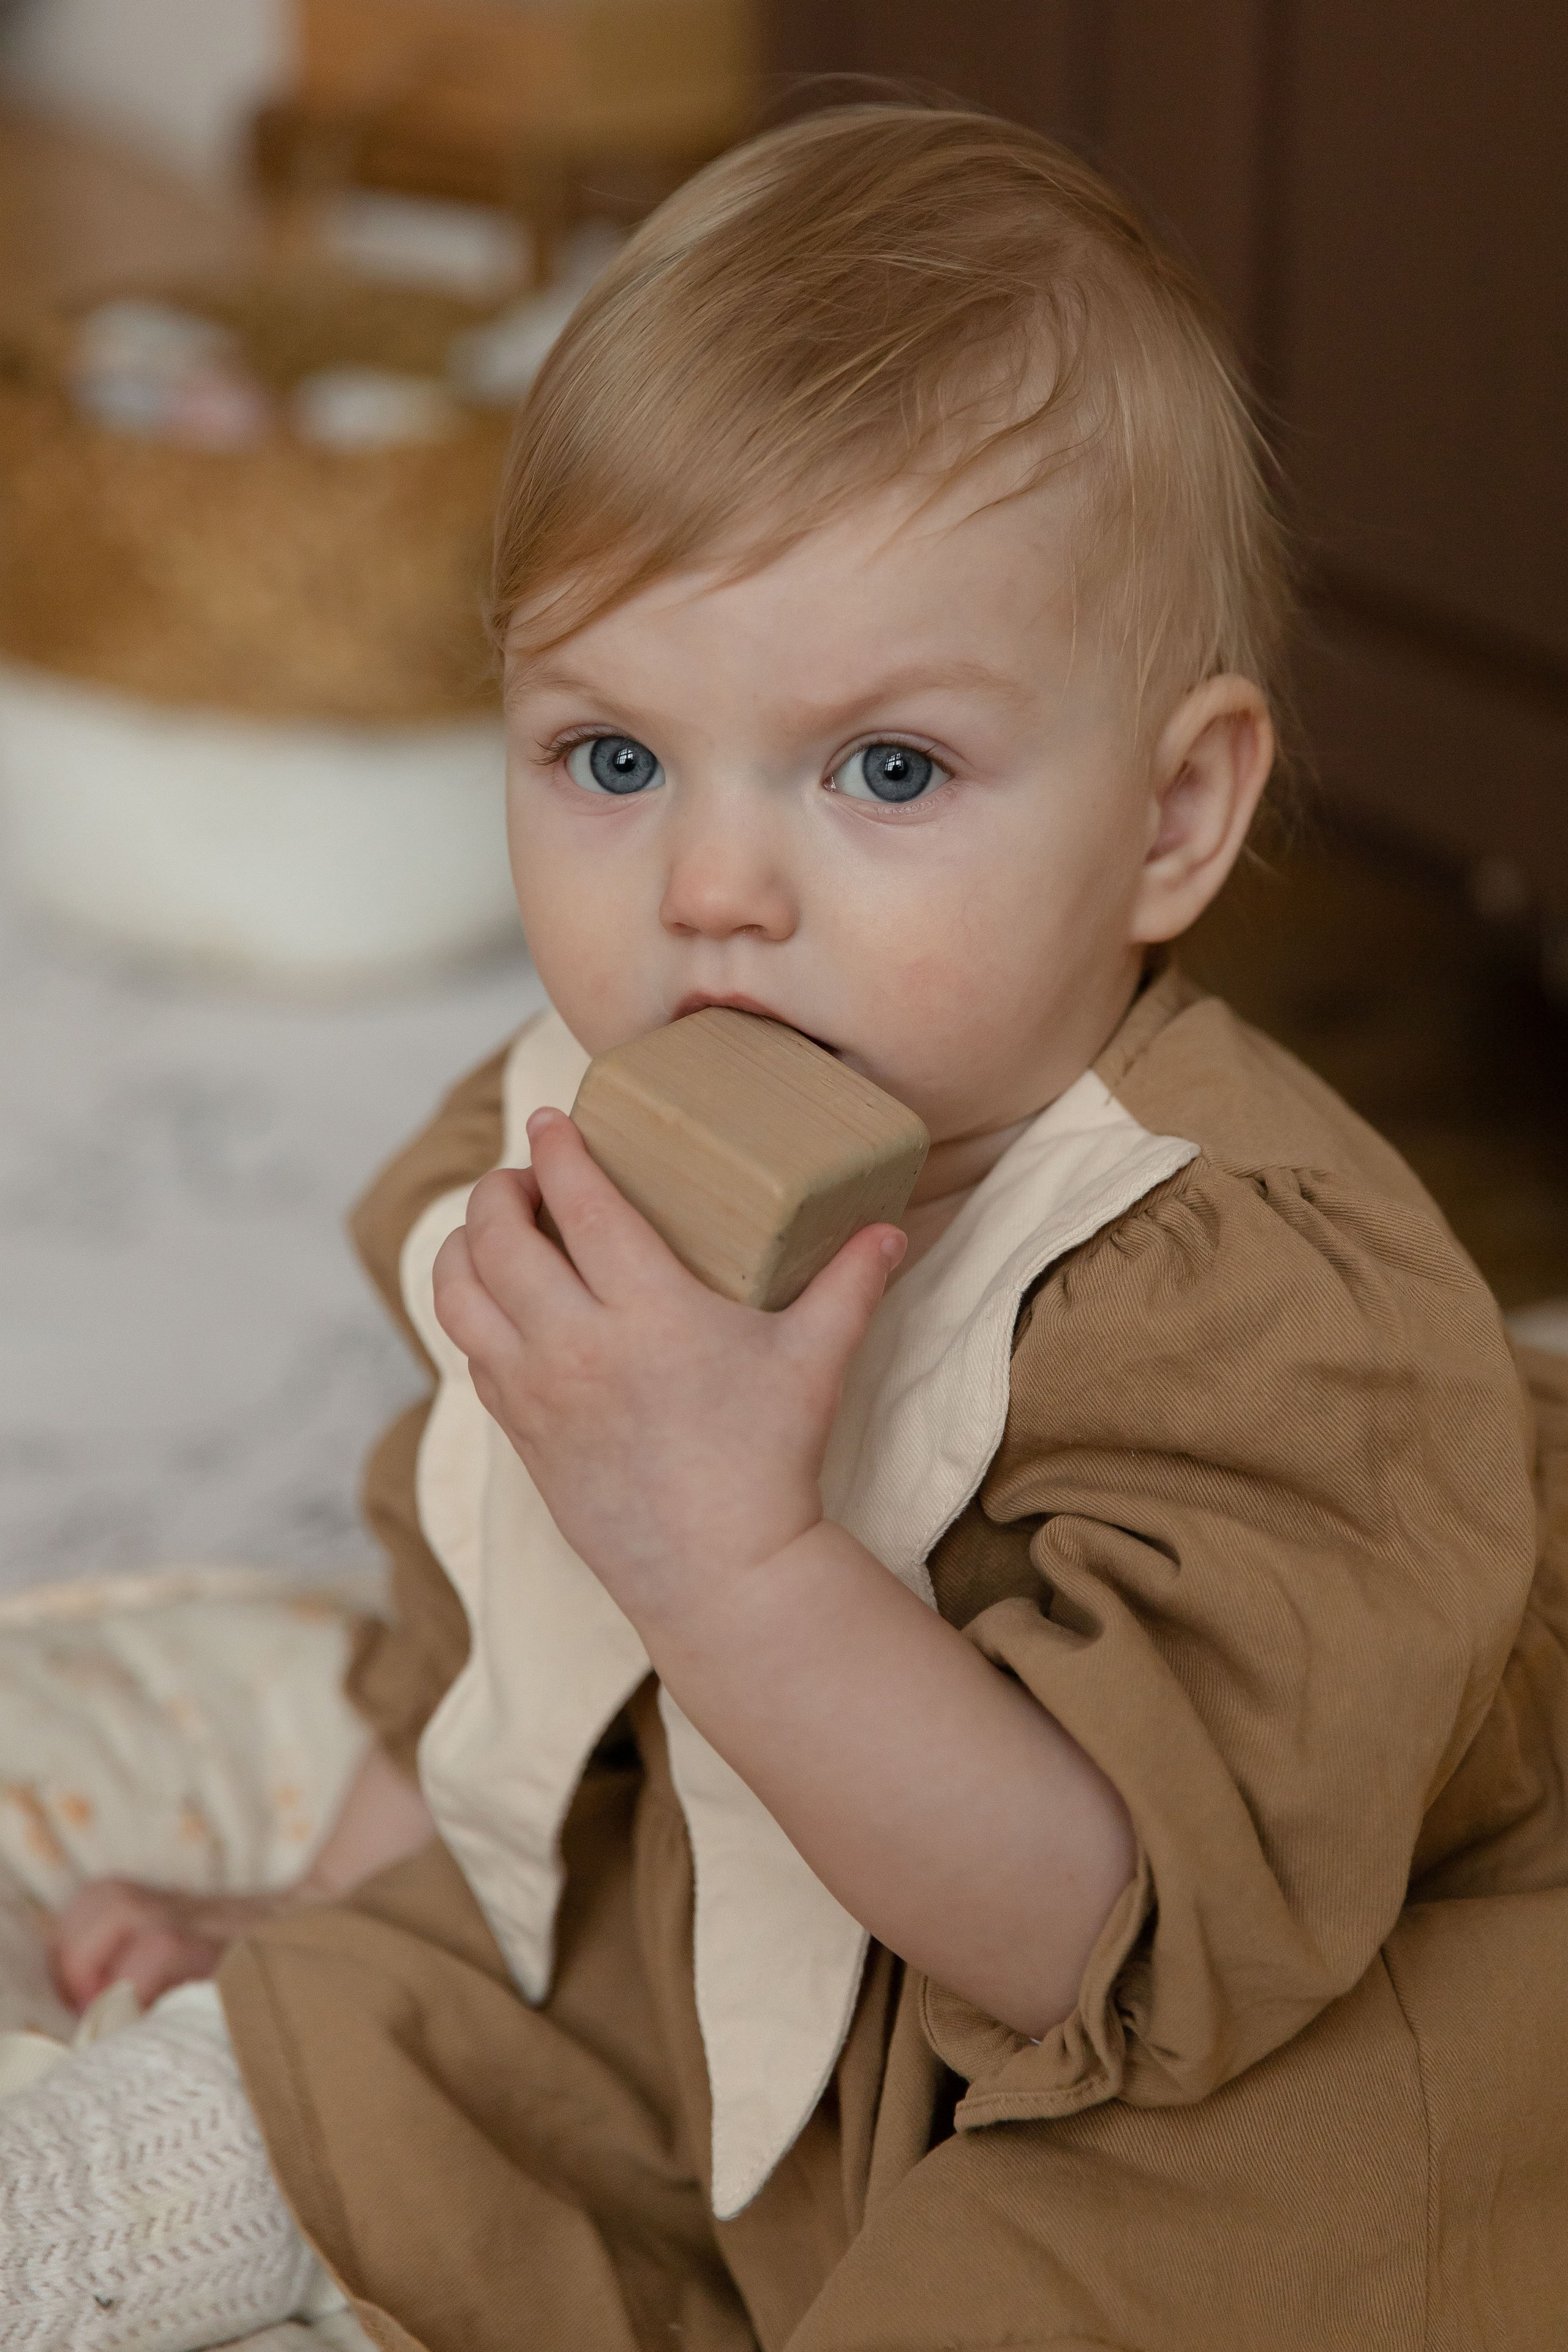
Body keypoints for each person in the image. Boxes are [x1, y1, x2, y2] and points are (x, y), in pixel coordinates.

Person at [10, 102, 1568, 2351]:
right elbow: (494, 1604)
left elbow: (1098, 1945)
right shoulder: (558, 1138)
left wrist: (732, 1563)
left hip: (1228, 1993)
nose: (710, 892)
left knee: (1120, 2264)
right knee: (409, 2042)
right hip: (776, 1948)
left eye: (891, 771)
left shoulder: (1265, 1315)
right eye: (612, 759)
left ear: (1172, 817)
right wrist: (329, 1904)